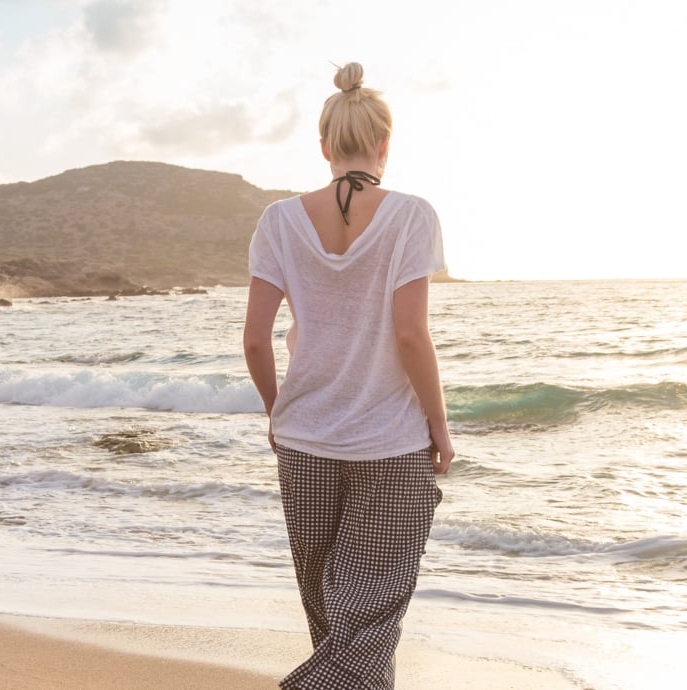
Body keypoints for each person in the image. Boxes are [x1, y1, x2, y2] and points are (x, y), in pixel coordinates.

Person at [243, 61, 455, 690]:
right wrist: (439, 427)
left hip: (304, 439)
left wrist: (276, 412)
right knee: (366, 619)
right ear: (385, 144)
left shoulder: (277, 221)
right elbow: (412, 334)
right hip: (390, 443)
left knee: (334, 616)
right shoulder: (412, 216)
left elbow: (255, 339)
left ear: (325, 145)